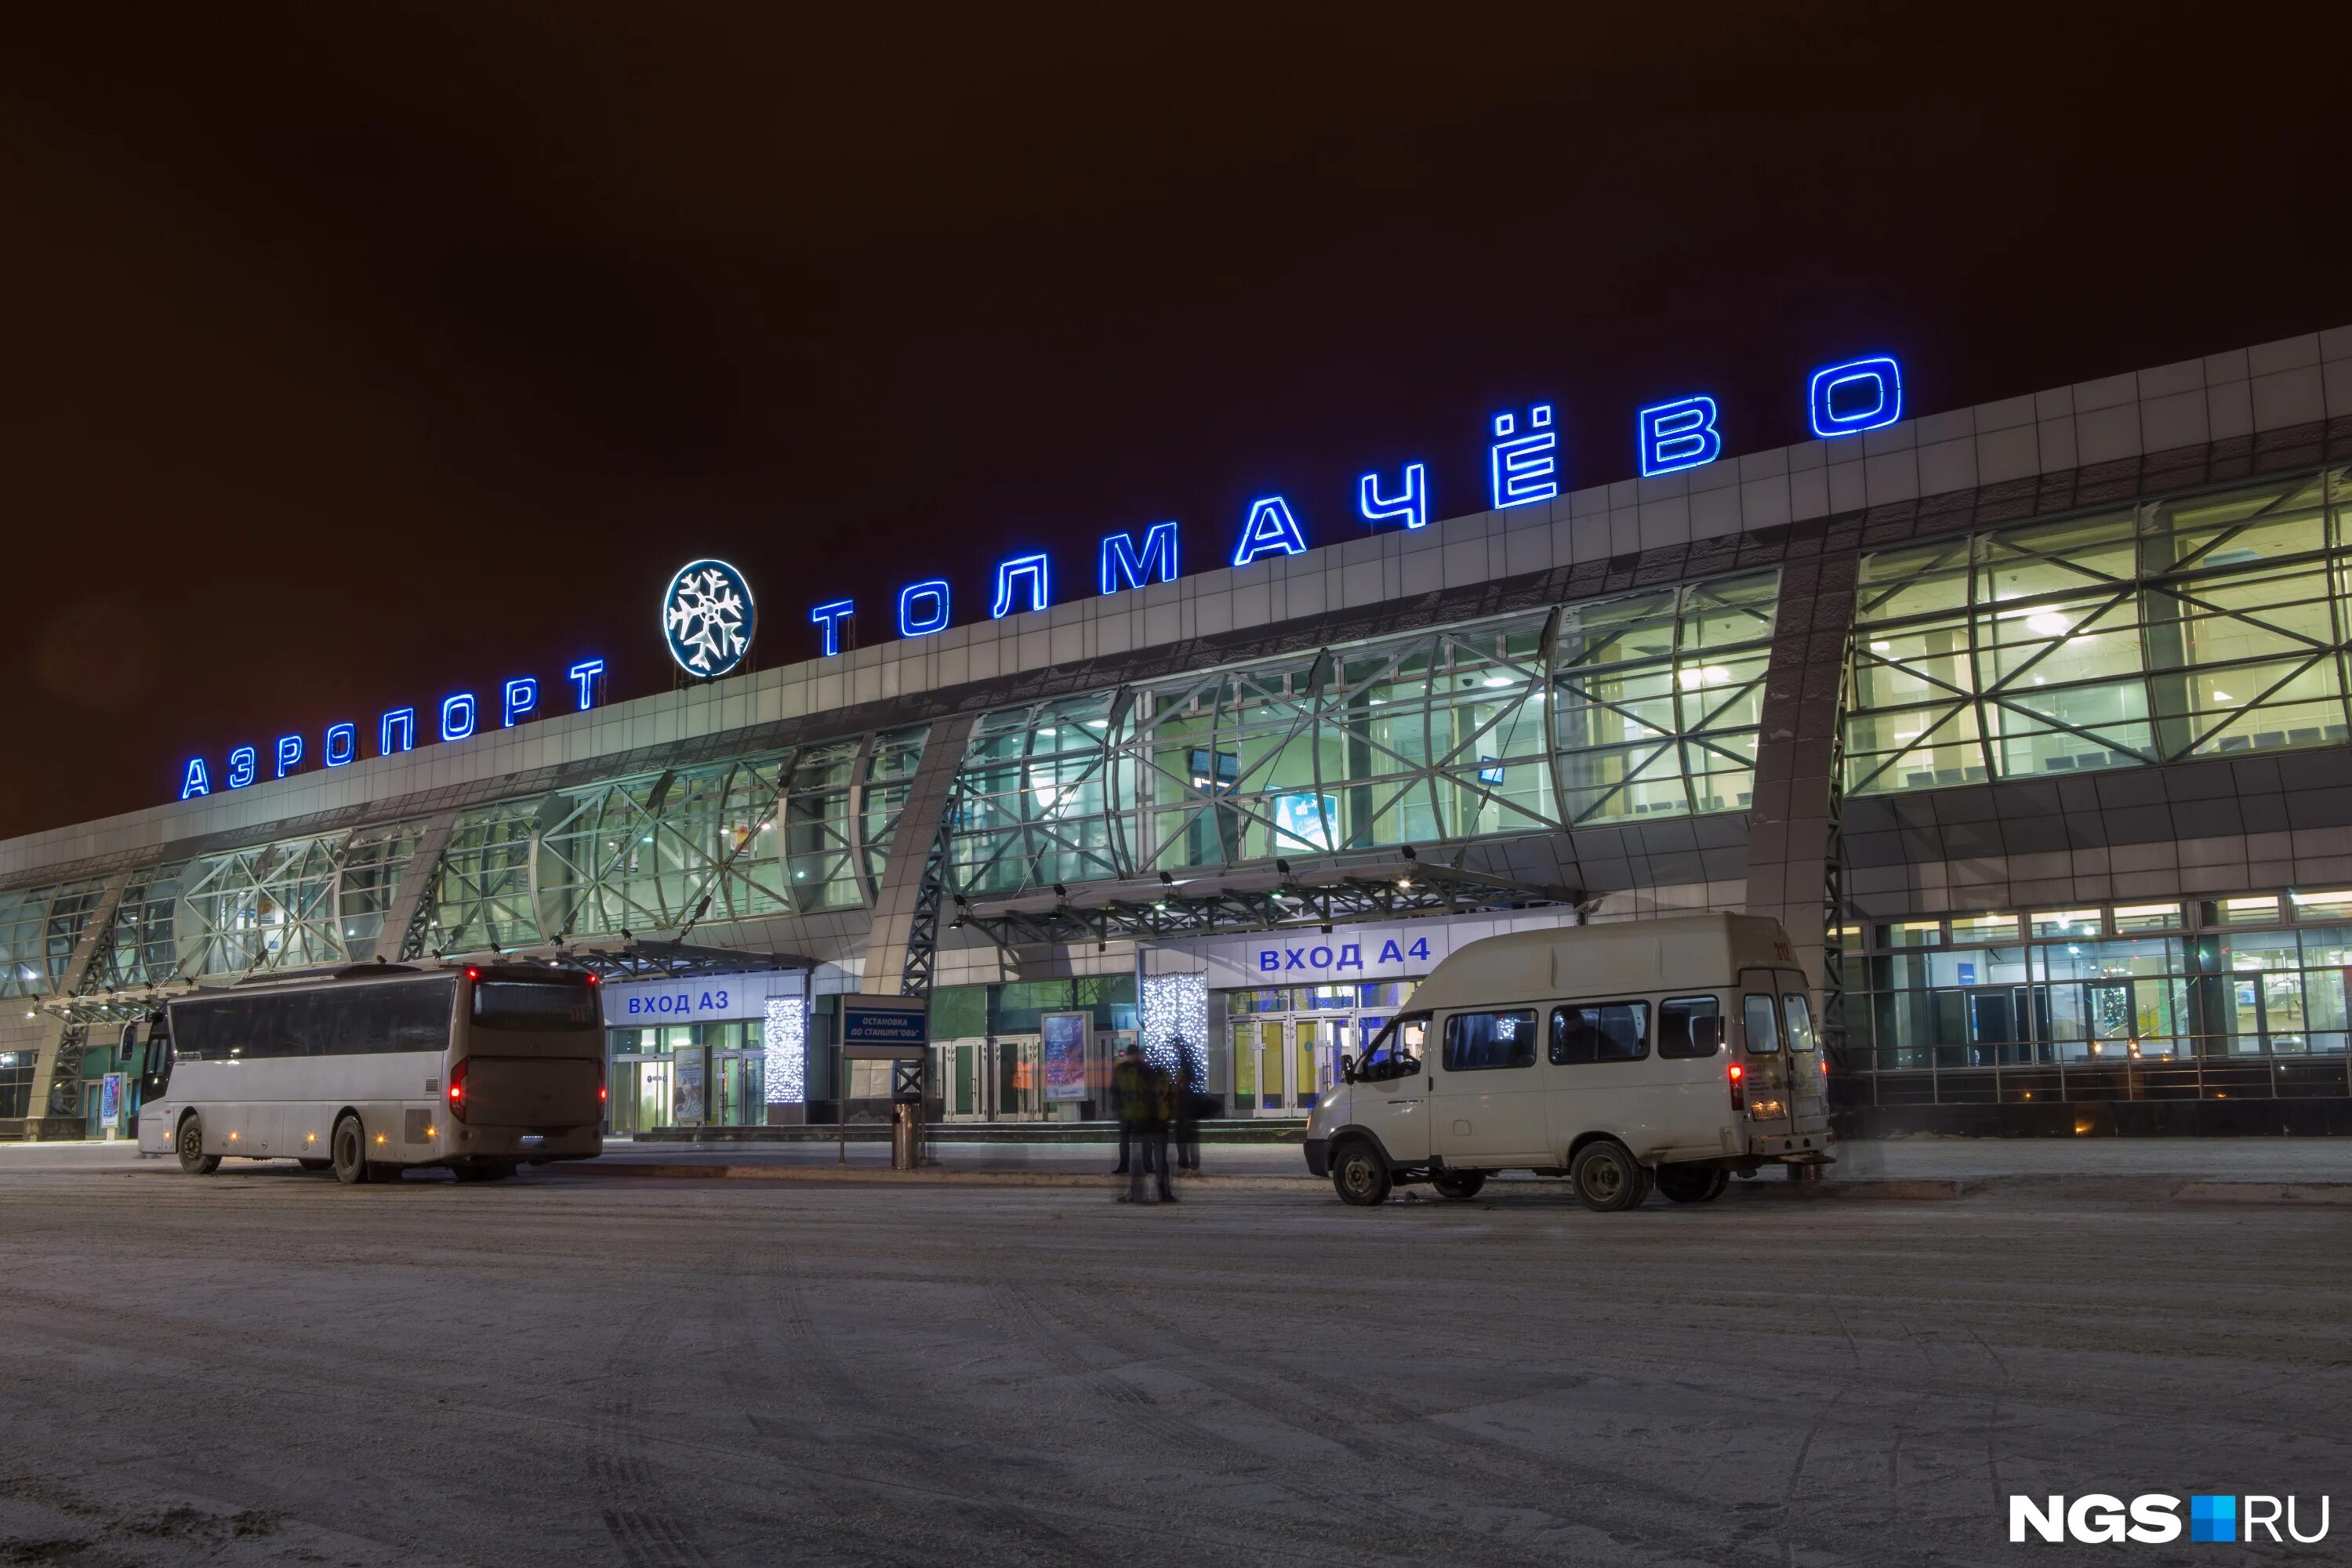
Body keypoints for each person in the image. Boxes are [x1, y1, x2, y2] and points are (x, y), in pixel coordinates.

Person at [1170, 1039, 1201, 1175]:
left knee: (1183, 1136)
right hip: (1189, 1106)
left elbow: (1183, 1078)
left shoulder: (1184, 1063)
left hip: (1185, 1106)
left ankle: (1186, 1165)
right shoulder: (1189, 1062)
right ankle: (1192, 1165)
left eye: (1175, 1046)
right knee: (1190, 1137)